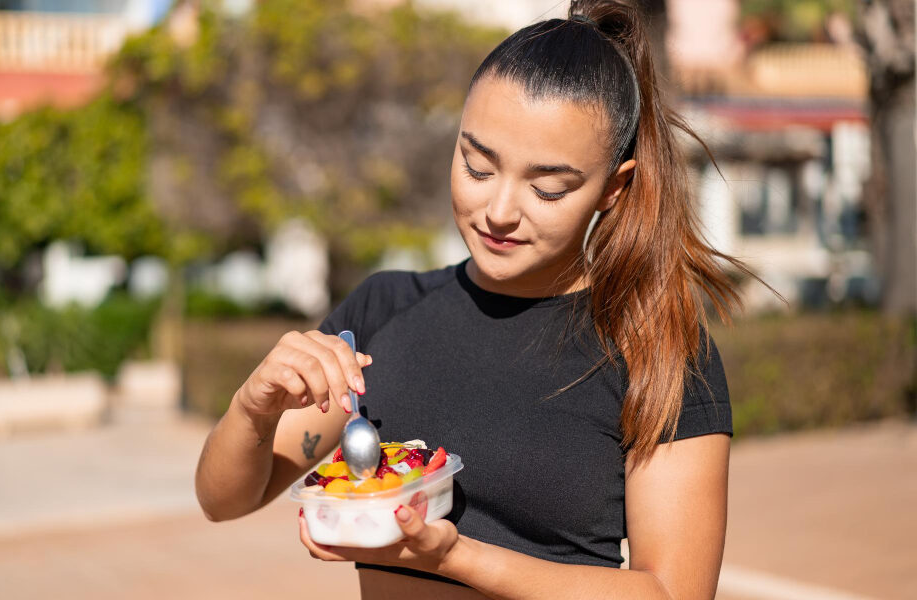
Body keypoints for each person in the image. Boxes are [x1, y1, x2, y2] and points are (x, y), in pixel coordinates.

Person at [196, 1, 754, 598]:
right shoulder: (382, 313)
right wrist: (254, 408)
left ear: (612, 189)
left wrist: (454, 557)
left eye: (548, 188)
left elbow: (672, 593)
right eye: (477, 166)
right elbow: (224, 498)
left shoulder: (655, 348)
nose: (500, 212)